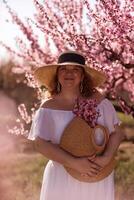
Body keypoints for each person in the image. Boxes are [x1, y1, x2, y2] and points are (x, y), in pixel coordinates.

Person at [28, 51, 124, 200]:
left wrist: (105, 158)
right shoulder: (48, 107)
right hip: (61, 175)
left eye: (76, 69)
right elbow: (40, 144)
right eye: (64, 69)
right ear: (57, 74)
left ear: (83, 75)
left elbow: (117, 133)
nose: (69, 73)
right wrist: (74, 163)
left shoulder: (99, 102)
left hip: (96, 172)